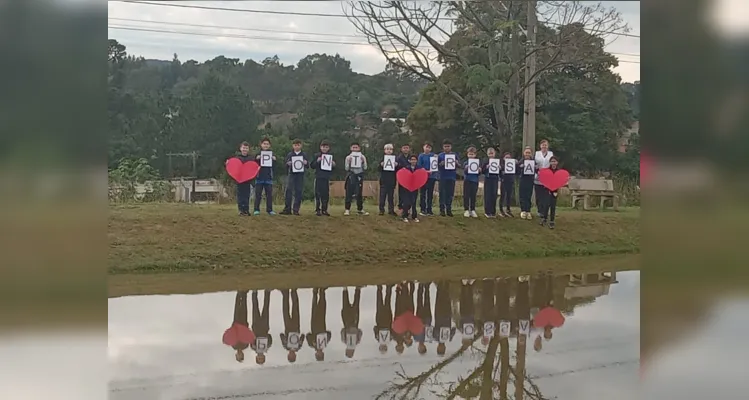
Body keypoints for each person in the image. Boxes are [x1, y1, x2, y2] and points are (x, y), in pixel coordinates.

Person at [222, 290, 255, 363]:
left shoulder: (234, 346)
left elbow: (231, 335)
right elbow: (248, 335)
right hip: (244, 324)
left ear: (236, 355)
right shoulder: (245, 345)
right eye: (241, 355)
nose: (240, 354)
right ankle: (244, 294)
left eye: (238, 356)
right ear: (243, 354)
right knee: (244, 308)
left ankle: (238, 294)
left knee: (237, 308)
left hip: (236, 324)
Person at [281, 139, 309, 215]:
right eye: (295, 145)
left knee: (298, 191)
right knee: (288, 191)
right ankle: (287, 209)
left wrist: (306, 163)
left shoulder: (304, 155)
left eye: (298, 145)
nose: (297, 147)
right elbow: (285, 165)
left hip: (300, 175)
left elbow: (308, 166)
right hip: (292, 174)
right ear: (293, 146)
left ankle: (296, 209)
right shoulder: (290, 154)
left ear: (301, 146)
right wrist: (288, 164)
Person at [306, 287, 332, 362]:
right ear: (323, 353)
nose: (319, 353)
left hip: (314, 326)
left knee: (314, 308)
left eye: (318, 355)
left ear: (316, 354)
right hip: (322, 325)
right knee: (322, 307)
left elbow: (308, 335)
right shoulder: (324, 343)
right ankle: (322, 291)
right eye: (321, 355)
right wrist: (325, 335)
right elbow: (329, 334)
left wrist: (313, 340)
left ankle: (315, 292)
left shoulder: (312, 345)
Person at [344, 142, 369, 216]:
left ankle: (360, 209)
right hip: (351, 175)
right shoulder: (348, 157)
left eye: (356, 147)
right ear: (351, 148)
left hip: (359, 176)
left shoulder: (362, 156)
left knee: (359, 193)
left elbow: (365, 168)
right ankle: (347, 209)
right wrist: (349, 162)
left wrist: (363, 162)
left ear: (359, 148)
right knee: (349, 192)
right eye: (353, 147)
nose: (355, 149)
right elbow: (346, 168)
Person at [310, 140, 334, 216]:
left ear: (328, 148)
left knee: (325, 194)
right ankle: (317, 209)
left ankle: (324, 209)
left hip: (326, 177)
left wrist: (333, 164)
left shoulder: (330, 156)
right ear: (320, 147)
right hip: (318, 177)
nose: (324, 148)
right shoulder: (317, 155)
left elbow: (334, 168)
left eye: (326, 147)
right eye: (323, 147)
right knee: (317, 194)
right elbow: (312, 166)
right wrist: (317, 161)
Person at [253, 137, 277, 216]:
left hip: (268, 177)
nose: (266, 145)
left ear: (269, 145)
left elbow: (275, 165)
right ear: (261, 144)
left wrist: (274, 159)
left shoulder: (272, 153)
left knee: (269, 195)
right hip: (259, 177)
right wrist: (257, 159)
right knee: (258, 195)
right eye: (264, 144)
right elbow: (253, 164)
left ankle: (269, 210)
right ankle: (256, 209)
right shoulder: (258, 153)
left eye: (267, 144)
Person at [437, 139, 461, 217]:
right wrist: (441, 164)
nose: (447, 148)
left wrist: (457, 163)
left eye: (448, 146)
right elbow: (436, 166)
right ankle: (442, 210)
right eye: (445, 146)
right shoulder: (440, 155)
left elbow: (459, 165)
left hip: (452, 176)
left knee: (450, 194)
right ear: (443, 147)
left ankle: (449, 209)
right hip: (442, 176)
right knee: (442, 193)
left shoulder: (454, 155)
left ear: (451, 147)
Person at [280, 288, 303, 363]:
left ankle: (285, 293)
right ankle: (294, 292)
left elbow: (281, 335)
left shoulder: (285, 346)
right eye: (293, 356)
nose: (292, 355)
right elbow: (303, 336)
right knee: (295, 308)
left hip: (288, 327)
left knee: (285, 309)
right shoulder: (298, 347)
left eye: (290, 356)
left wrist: (285, 340)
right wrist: (300, 340)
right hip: (296, 327)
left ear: (288, 355)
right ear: (295, 355)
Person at [250, 290, 273, 365]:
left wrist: (255, 341)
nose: (260, 357)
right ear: (264, 357)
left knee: (255, 307)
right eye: (262, 358)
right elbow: (269, 336)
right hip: (264, 327)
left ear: (256, 357)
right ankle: (267, 292)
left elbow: (251, 338)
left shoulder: (253, 347)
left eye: (259, 358)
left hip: (256, 327)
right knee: (266, 307)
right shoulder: (268, 346)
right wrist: (265, 339)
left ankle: (254, 292)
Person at [540, 156, 563, 229]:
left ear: (557, 162)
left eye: (555, 161)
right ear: (550, 162)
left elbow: (559, 182)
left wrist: (556, 191)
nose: (553, 163)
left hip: (555, 191)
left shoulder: (558, 171)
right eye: (552, 161)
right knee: (546, 205)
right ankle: (544, 218)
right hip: (547, 190)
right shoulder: (547, 171)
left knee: (553, 206)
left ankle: (552, 221)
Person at [230, 141, 253, 216]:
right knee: (240, 195)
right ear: (240, 148)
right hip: (239, 179)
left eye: (246, 148)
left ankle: (246, 209)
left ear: (248, 149)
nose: (245, 149)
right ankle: (241, 210)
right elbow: (232, 166)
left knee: (247, 194)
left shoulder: (251, 158)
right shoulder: (237, 158)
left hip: (247, 179)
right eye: (243, 148)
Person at [340, 287, 363, 358]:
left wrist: (348, 329)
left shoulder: (346, 341)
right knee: (354, 304)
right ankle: (355, 289)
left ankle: (346, 289)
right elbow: (360, 332)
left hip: (350, 324)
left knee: (348, 305)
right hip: (353, 323)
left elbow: (342, 331)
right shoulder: (355, 342)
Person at [534, 140, 554, 217]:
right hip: (538, 177)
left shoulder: (551, 154)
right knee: (539, 195)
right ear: (540, 146)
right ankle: (540, 210)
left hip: (547, 177)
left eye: (545, 145)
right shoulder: (536, 154)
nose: (544, 146)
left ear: (548, 146)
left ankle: (545, 210)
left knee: (546, 195)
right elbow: (534, 164)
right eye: (543, 145)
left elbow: (552, 164)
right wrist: (537, 171)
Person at [417, 142, 438, 216]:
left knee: (430, 194)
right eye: (426, 147)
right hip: (423, 177)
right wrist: (426, 171)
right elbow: (419, 166)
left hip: (432, 177)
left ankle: (429, 209)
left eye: (429, 147)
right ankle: (423, 209)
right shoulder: (421, 156)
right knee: (422, 193)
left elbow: (435, 165)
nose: (427, 148)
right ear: (423, 147)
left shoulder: (434, 156)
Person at [374, 284, 394, 354]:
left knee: (381, 302)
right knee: (387, 302)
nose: (383, 347)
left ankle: (380, 288)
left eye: (382, 348)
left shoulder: (378, 338)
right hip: (387, 321)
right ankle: (388, 287)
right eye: (384, 348)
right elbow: (392, 330)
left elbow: (375, 329)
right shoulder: (390, 339)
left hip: (381, 320)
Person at [400, 154, 421, 223]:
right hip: (407, 188)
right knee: (406, 202)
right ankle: (404, 216)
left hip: (415, 188)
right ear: (409, 161)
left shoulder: (419, 168)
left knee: (414, 202)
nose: (413, 161)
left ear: (417, 160)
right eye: (412, 159)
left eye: (414, 159)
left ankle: (414, 216)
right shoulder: (406, 168)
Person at [378, 143, 397, 216]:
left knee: (391, 197)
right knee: (382, 196)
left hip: (392, 181)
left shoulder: (395, 159)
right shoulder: (382, 158)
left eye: (390, 149)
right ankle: (381, 210)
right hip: (383, 180)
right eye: (387, 149)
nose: (389, 151)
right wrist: (381, 165)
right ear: (384, 150)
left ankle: (391, 210)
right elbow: (378, 169)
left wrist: (396, 165)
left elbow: (397, 170)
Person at [481, 147, 500, 218]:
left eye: (492, 153)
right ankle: (487, 211)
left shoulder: (497, 161)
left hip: (495, 179)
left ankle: (493, 211)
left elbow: (500, 171)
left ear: (494, 154)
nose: (491, 155)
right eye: (489, 154)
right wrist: (486, 167)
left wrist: (500, 168)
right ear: (487, 154)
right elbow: (482, 170)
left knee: (494, 194)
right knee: (488, 195)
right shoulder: (486, 161)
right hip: (488, 179)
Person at [415, 282, 433, 355]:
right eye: (422, 348)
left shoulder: (416, 338)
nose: (421, 347)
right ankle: (426, 287)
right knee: (427, 301)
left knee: (419, 302)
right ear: (425, 347)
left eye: (420, 349)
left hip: (419, 319)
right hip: (427, 319)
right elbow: (431, 329)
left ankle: (420, 286)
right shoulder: (428, 339)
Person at [518, 147, 536, 220]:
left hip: (530, 180)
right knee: (522, 195)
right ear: (524, 153)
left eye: (529, 153)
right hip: (523, 180)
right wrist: (520, 167)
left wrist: (535, 167)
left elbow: (537, 170)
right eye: (526, 152)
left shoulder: (533, 161)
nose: (527, 154)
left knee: (529, 195)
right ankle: (523, 210)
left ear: (531, 154)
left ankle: (528, 210)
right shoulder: (521, 161)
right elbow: (516, 170)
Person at [462, 146, 479, 218]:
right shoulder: (466, 163)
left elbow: (479, 173)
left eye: (472, 154)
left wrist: (480, 170)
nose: (471, 156)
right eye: (469, 154)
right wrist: (466, 168)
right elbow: (465, 172)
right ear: (467, 154)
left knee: (473, 196)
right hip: (467, 180)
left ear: (475, 155)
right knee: (466, 195)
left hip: (475, 181)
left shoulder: (478, 162)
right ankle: (466, 209)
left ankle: (472, 209)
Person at [499, 152, 516, 218]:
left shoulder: (512, 164)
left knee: (509, 196)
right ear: (503, 158)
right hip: (504, 181)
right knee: (503, 195)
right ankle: (501, 210)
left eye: (509, 157)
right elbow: (499, 173)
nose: (508, 159)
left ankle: (508, 209)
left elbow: (516, 171)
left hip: (510, 181)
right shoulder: (502, 165)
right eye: (506, 157)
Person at [395, 143, 411, 212]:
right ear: (401, 149)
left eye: (407, 148)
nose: (405, 149)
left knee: (409, 192)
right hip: (402, 177)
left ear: (409, 149)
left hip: (410, 178)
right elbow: (396, 167)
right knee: (401, 192)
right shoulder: (398, 158)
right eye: (404, 148)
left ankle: (408, 206)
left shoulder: (411, 157)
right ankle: (400, 206)